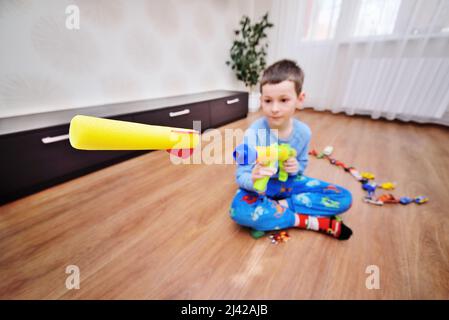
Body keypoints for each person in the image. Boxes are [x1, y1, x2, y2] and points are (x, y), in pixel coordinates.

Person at [229, 59, 353, 240]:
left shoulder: (303, 133)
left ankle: (276, 210)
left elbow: (302, 165)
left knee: (344, 197)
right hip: (261, 188)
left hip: (287, 185)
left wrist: (296, 168)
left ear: (300, 100)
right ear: (261, 100)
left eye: (284, 100)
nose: (274, 109)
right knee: (238, 211)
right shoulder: (254, 132)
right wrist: (254, 178)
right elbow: (241, 176)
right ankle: (306, 221)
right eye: (268, 101)